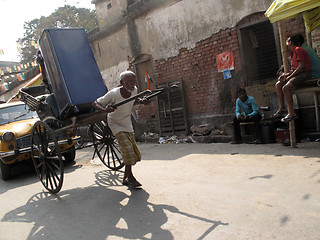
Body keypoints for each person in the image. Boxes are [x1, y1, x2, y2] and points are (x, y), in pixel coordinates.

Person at [92, 70, 148, 188]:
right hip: (115, 122)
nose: (132, 83)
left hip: (127, 121)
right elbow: (95, 103)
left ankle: (126, 178)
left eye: (133, 80)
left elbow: (135, 99)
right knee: (127, 148)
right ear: (122, 82)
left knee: (132, 150)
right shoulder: (113, 94)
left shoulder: (135, 90)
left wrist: (142, 101)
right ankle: (131, 178)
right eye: (129, 81)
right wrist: (105, 110)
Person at [273, 34, 312, 122]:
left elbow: (301, 67)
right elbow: (293, 69)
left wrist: (289, 77)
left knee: (286, 88)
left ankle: (292, 113)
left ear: (290, 42)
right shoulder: (292, 53)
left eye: (287, 42)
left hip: (304, 74)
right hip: (298, 74)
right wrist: (285, 75)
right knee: (278, 84)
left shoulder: (298, 50)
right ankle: (282, 107)